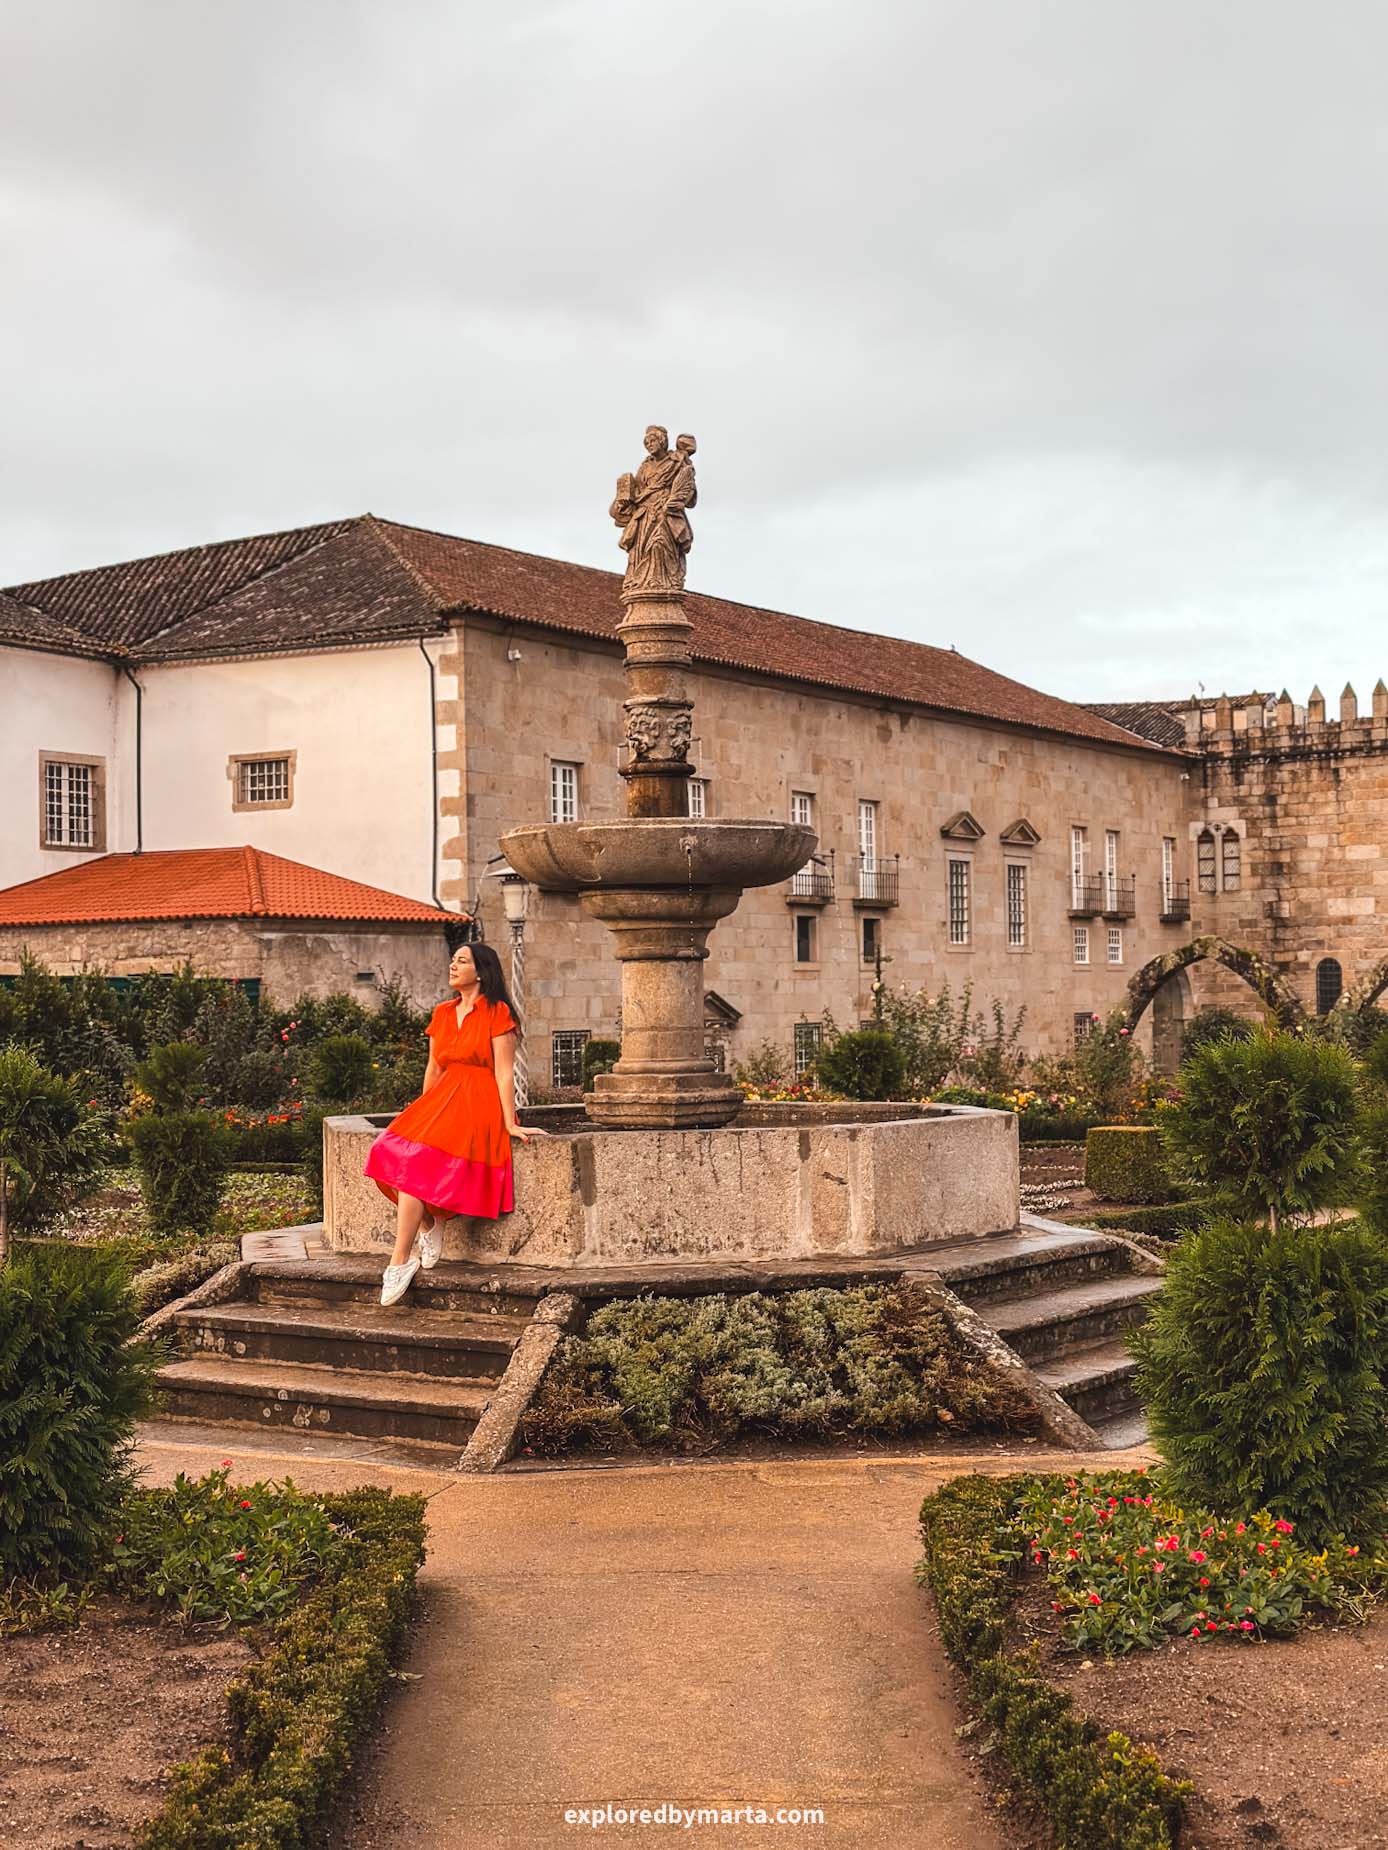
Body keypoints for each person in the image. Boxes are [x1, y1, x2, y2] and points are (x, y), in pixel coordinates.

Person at [363, 941, 545, 1305]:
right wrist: (422, 1106)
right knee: (386, 1150)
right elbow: (434, 1067)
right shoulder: (443, 1013)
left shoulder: (497, 1012)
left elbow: (505, 1072)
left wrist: (509, 1122)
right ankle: (430, 1224)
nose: (452, 966)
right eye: (453, 960)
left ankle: (399, 1260)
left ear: (481, 971)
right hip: (443, 1097)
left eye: (461, 961)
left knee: (414, 1165)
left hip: (479, 1101)